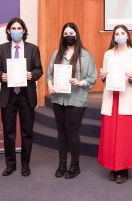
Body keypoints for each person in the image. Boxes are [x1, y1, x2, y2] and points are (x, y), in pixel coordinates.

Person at [47, 22, 96, 179]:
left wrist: (80, 82)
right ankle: (62, 163)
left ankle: (75, 165)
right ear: (62, 36)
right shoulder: (57, 54)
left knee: (72, 133)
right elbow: (49, 75)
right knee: (61, 133)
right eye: (66, 33)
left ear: (76, 34)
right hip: (58, 99)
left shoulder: (85, 55)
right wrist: (49, 85)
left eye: (71, 33)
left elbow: (92, 77)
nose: (69, 36)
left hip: (76, 99)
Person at [0, 17, 43, 177]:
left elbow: (39, 69)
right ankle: (10, 164)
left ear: (24, 30)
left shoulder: (33, 49)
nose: (16, 31)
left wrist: (32, 75)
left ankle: (25, 164)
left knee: (26, 132)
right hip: (8, 96)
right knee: (8, 132)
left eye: (19, 28)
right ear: (9, 31)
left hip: (26, 95)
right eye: (13, 28)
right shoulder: (1, 49)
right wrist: (1, 76)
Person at [97, 24, 132, 184]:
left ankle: (123, 169)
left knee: (124, 137)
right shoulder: (108, 54)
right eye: (117, 33)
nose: (119, 35)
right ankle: (112, 166)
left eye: (122, 33)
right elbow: (104, 78)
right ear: (113, 37)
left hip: (126, 97)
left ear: (128, 35)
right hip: (111, 98)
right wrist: (102, 76)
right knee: (111, 135)